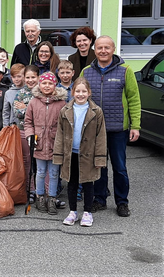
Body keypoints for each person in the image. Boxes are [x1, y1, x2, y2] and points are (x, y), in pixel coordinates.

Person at [80, 36, 141, 217]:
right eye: (100, 48)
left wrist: (135, 126)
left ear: (113, 49)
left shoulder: (125, 70)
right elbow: (79, 98)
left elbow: (134, 99)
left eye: (107, 47)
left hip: (118, 129)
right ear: (95, 50)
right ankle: (100, 199)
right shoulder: (86, 72)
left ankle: (122, 202)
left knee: (119, 167)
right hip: (94, 129)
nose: (103, 51)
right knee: (99, 166)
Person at [53, 78, 107, 227]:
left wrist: (100, 158)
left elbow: (101, 136)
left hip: (88, 154)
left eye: (84, 91)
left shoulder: (96, 111)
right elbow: (60, 134)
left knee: (88, 183)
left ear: (89, 93)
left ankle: (87, 212)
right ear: (73, 92)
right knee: (72, 183)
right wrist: (59, 155)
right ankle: (73, 211)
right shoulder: (65, 111)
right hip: (71, 154)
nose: (81, 94)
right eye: (78, 91)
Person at [24, 72, 67, 215]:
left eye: (50, 83)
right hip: (39, 143)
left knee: (54, 173)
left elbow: (65, 124)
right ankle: (40, 197)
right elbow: (28, 122)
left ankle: (52, 198)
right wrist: (30, 135)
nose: (47, 86)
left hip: (55, 143)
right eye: (44, 83)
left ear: (55, 85)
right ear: (39, 84)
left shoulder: (61, 103)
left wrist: (63, 140)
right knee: (41, 172)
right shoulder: (33, 102)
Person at [13, 64, 40, 199]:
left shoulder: (43, 91)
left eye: (33, 77)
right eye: (27, 77)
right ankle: (30, 189)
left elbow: (42, 113)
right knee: (27, 161)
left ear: (38, 77)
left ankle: (42, 190)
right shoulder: (21, 93)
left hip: (40, 131)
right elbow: (17, 113)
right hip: (23, 130)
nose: (30, 80)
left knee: (41, 162)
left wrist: (26, 107)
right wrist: (32, 109)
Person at [2, 63, 25, 127]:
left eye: (19, 76)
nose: (16, 79)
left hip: (26, 126)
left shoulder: (29, 91)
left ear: (24, 76)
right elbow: (6, 113)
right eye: (14, 77)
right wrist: (6, 127)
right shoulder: (8, 93)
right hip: (13, 126)